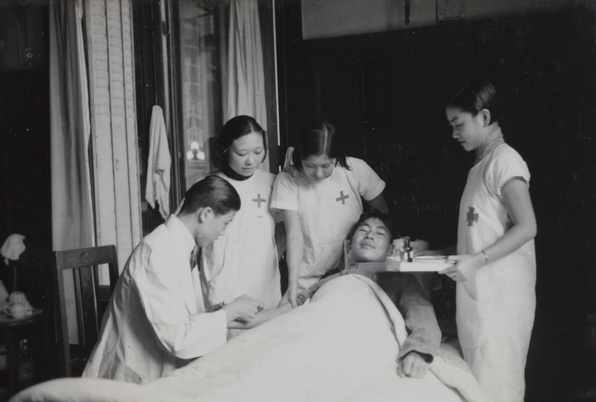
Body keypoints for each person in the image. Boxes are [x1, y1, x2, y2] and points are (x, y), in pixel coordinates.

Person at [83, 176, 264, 384]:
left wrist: (221, 310)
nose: (222, 232)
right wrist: (229, 312)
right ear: (205, 214)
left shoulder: (181, 245)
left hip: (161, 364)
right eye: (225, 223)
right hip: (135, 376)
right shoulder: (158, 252)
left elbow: (178, 312)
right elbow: (177, 339)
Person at [439, 78, 537, 401]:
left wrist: (476, 261)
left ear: (483, 117)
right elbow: (476, 239)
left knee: (499, 391)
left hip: (502, 304)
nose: (454, 134)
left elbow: (527, 227)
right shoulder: (480, 167)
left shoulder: (505, 161)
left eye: (458, 124)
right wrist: (435, 254)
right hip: (480, 304)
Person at [296, 210, 441, 378]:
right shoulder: (332, 279)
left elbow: (422, 315)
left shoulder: (398, 279)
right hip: (315, 334)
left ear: (389, 249)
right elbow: (297, 306)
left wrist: (418, 352)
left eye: (380, 233)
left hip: (358, 341)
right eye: (363, 230)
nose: (369, 236)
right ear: (351, 244)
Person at [271, 121, 388, 306]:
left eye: (326, 166)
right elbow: (293, 234)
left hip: (353, 272)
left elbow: (381, 215)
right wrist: (292, 286)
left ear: (337, 158)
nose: (318, 173)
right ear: (300, 158)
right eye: (310, 166)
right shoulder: (288, 179)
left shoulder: (355, 170)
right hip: (307, 276)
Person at [202, 116, 282, 318]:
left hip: (263, 278)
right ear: (226, 150)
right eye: (242, 153)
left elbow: (284, 229)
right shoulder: (209, 185)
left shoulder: (273, 183)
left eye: (258, 152)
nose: (251, 161)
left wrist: (270, 255)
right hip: (223, 279)